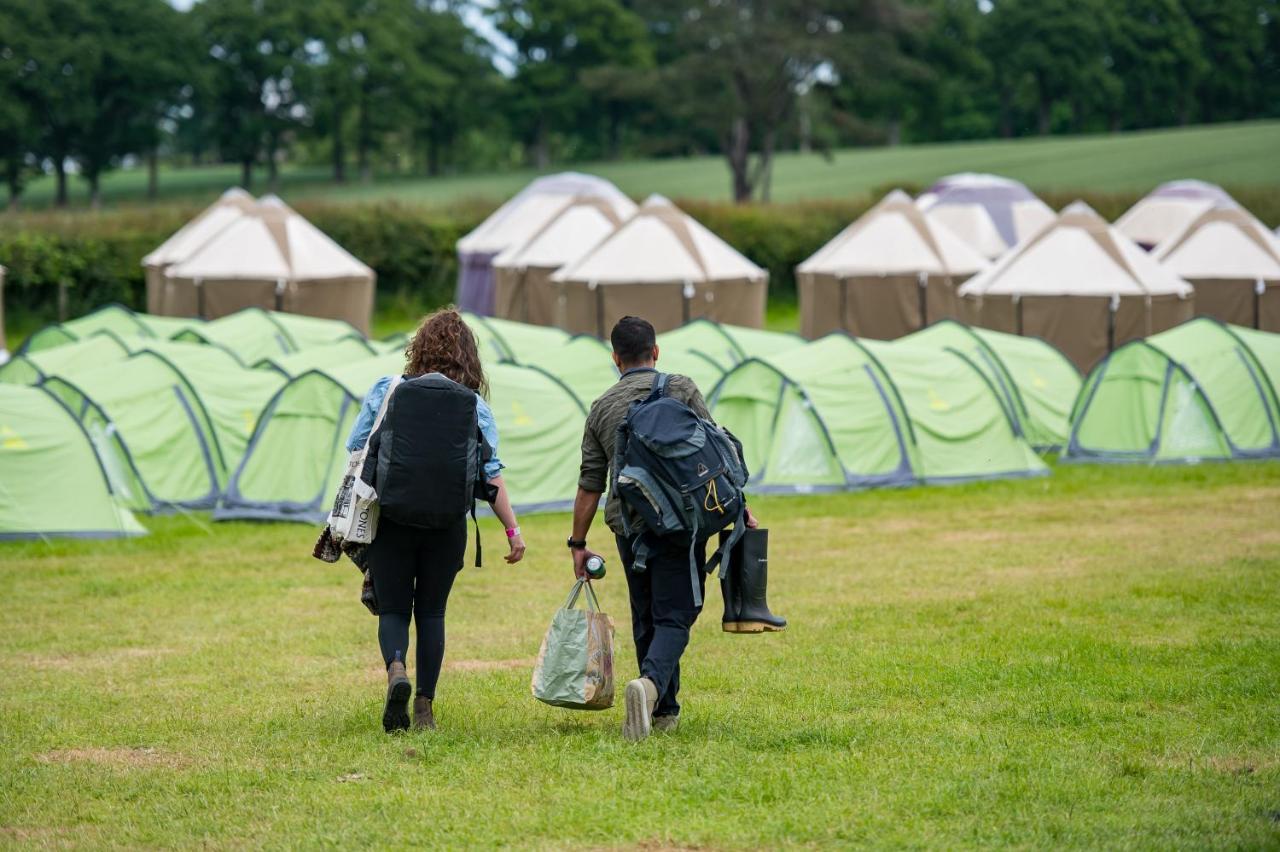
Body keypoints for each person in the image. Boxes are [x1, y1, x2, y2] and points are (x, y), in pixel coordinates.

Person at [568, 316, 757, 742]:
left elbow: (590, 482)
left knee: (646, 611)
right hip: (684, 521)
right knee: (679, 612)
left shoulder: (601, 407)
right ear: (655, 352)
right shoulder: (681, 388)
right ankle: (650, 688)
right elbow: (716, 455)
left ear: (615, 358)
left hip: (630, 524)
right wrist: (739, 507)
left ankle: (663, 713)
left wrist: (577, 542)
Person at [347, 308, 526, 733]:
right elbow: (490, 472)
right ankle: (425, 706)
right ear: (468, 357)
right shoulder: (474, 406)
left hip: (391, 517)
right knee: (432, 612)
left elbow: (357, 445)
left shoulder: (387, 389)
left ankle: (395, 670)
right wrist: (512, 530)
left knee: (393, 608)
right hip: (447, 523)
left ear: (418, 348)